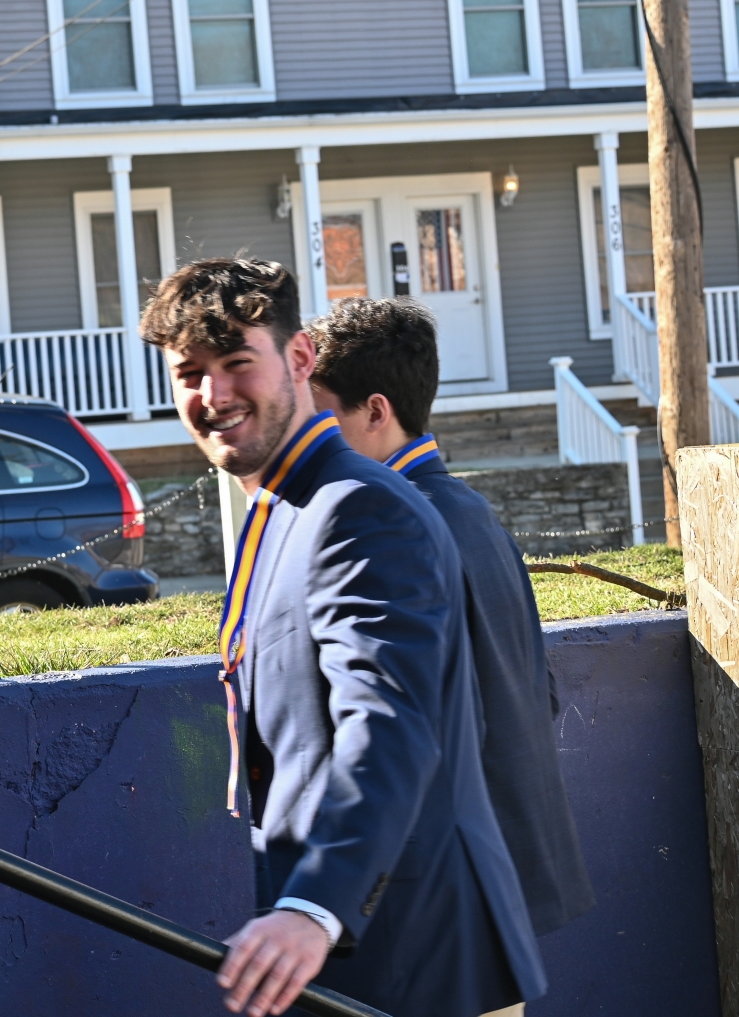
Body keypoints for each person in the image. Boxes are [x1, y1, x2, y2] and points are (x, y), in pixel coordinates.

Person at [138, 259, 545, 1017]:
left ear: (300, 358)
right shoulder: (290, 505)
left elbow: (390, 722)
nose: (213, 394)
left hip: (419, 958)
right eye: (190, 373)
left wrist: (314, 906)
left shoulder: (357, 507)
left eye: (237, 363)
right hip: (348, 955)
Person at [306, 298, 594, 955]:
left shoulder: (391, 530)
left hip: (445, 898)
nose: (309, 439)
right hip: (502, 883)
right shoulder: (471, 510)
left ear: (376, 412)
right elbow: (539, 689)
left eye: (321, 417)